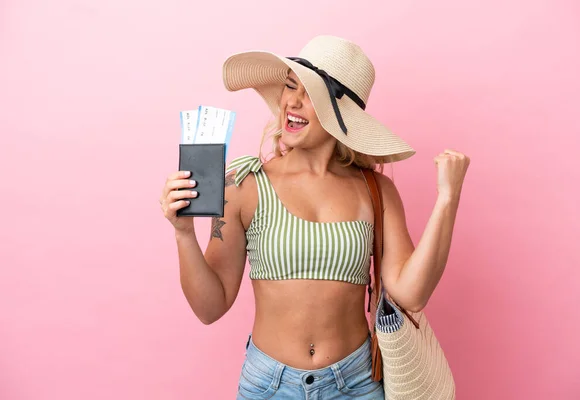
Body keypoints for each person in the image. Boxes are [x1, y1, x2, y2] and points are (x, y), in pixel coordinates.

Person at [159, 35, 470, 399]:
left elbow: (411, 294)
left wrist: (448, 199)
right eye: (291, 86)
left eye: (311, 94)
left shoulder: (376, 192)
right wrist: (183, 233)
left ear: (342, 116)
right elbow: (209, 308)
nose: (292, 101)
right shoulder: (244, 186)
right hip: (267, 387)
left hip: (356, 384)